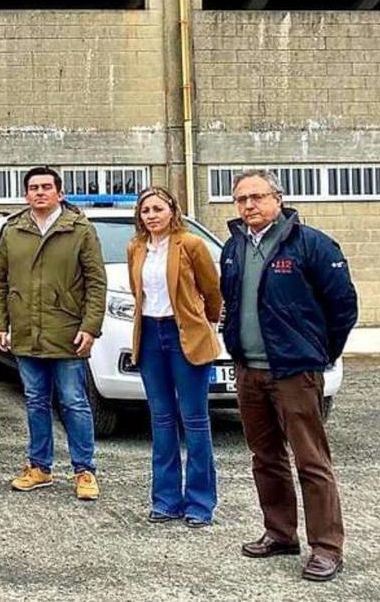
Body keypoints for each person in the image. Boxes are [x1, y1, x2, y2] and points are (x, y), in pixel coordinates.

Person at [219, 169, 357, 582]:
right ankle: (280, 532)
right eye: (241, 199)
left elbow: (343, 305)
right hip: (249, 370)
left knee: (312, 461)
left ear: (277, 198)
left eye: (257, 197)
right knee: (265, 457)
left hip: (295, 371)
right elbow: (231, 301)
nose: (249, 206)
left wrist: (319, 353)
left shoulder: (310, 243)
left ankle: (327, 547)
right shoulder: (233, 246)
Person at [0, 166, 106, 501]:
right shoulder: (14, 230)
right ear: (26, 194)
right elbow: (0, 282)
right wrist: (0, 323)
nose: (39, 192)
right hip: (26, 333)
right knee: (36, 401)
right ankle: (39, 467)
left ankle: (84, 470)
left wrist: (90, 326)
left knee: (73, 401)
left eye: (46, 187)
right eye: (33, 187)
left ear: (59, 193)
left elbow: (96, 282)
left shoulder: (80, 230)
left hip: (67, 331)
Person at [126, 187, 222, 526]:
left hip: (186, 335)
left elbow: (212, 291)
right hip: (151, 335)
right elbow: (138, 293)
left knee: (194, 421)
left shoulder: (190, 244)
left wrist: (204, 321)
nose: (151, 215)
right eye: (145, 210)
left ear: (172, 210)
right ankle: (166, 500)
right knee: (162, 419)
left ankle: (200, 503)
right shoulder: (135, 247)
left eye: (157, 209)